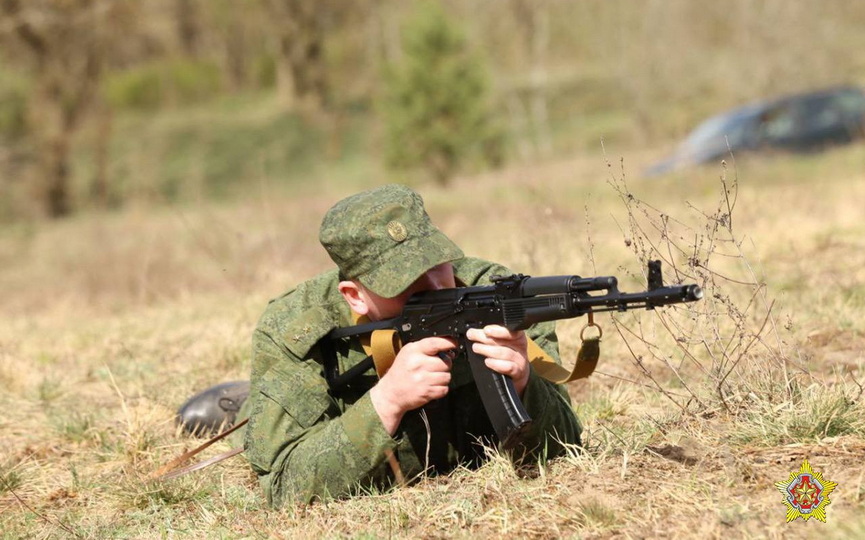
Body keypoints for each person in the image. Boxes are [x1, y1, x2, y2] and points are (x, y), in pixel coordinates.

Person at [178, 184, 581, 506]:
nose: (438, 287)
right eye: (406, 282)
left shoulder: (497, 296)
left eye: (437, 265)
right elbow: (285, 486)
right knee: (264, 423)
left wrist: (526, 383)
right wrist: (385, 402)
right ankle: (246, 406)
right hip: (310, 415)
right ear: (354, 295)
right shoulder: (294, 328)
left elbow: (567, 445)